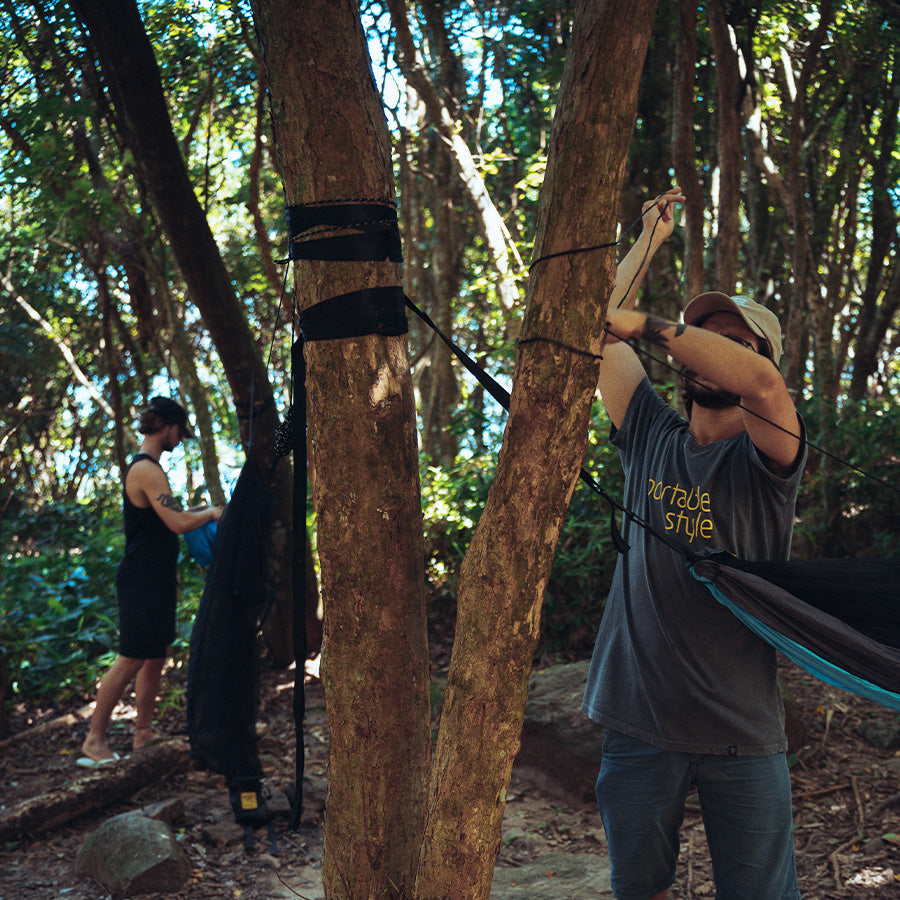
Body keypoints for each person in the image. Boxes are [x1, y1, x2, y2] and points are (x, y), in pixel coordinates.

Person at [581, 189, 807, 899]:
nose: (719, 354)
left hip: (742, 730)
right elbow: (595, 330)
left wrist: (647, 324)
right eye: (707, 338)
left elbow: (763, 385)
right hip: (637, 722)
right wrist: (648, 241)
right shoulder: (651, 432)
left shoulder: (769, 459)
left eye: (738, 343)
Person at [78, 397, 223, 766]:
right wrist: (211, 513)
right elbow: (177, 523)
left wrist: (199, 512)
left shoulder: (153, 469)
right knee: (131, 658)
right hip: (140, 579)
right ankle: (94, 740)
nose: (180, 439)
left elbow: (168, 517)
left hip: (156, 578)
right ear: (166, 427)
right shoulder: (145, 469)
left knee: (156, 656)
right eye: (179, 431)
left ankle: (143, 733)